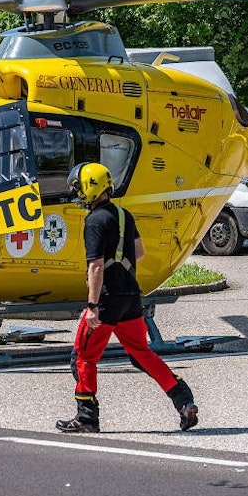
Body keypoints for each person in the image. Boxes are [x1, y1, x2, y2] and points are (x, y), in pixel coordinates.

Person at [56, 162, 199, 434]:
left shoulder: (94, 221)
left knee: (83, 357)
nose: (77, 194)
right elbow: (139, 252)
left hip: (107, 302)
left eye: (78, 188)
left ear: (90, 188)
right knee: (141, 353)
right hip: (131, 299)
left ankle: (86, 416)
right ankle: (183, 399)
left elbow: (96, 266)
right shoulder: (124, 215)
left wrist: (92, 306)